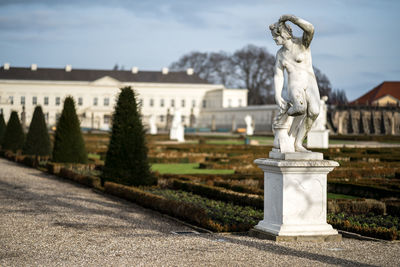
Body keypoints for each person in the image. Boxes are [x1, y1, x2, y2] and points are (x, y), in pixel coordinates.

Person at [269, 14, 320, 152]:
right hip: (294, 84)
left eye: (276, 36)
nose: (274, 39)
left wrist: (292, 18)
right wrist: (277, 95)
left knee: (314, 112)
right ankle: (284, 121)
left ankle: (297, 143)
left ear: (284, 34)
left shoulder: (302, 44)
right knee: (300, 109)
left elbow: (310, 29)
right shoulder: (280, 54)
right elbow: (278, 75)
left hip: (310, 81)